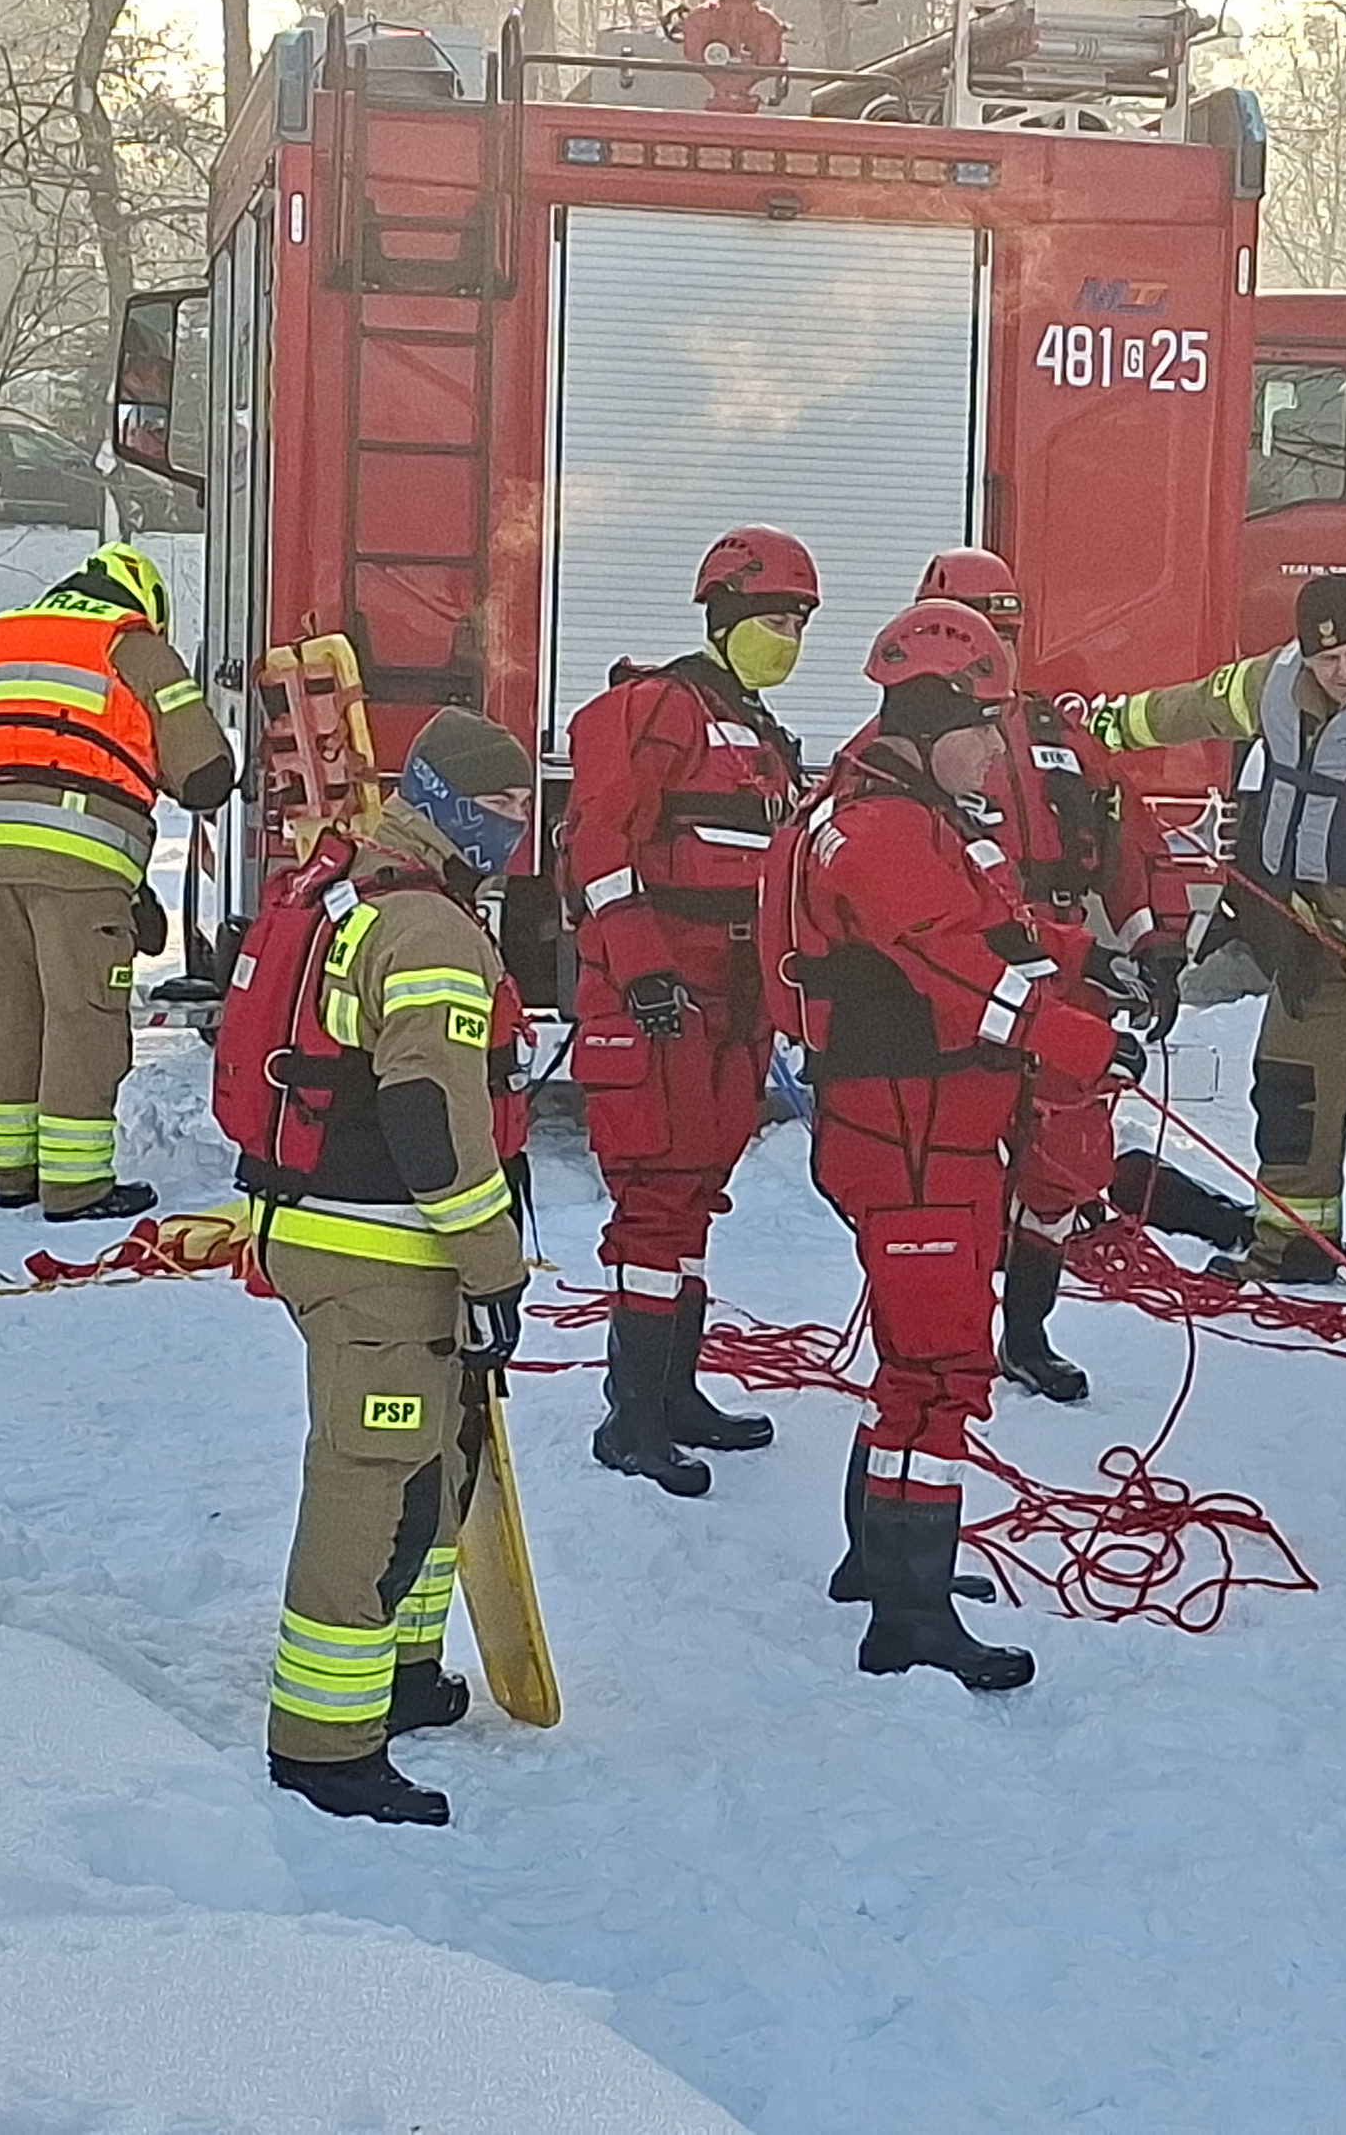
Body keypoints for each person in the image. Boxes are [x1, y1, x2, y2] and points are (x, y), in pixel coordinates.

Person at [769, 603, 1137, 1689]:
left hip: (929, 1131)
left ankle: (880, 1563)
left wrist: (1088, 961)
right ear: (931, 720)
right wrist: (1086, 1042)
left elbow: (986, 926)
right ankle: (910, 1614)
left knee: (913, 1360)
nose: (995, 751)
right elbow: (963, 977)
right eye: (983, 728)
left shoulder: (907, 812)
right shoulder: (884, 831)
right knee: (939, 1372)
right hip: (913, 1136)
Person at [246, 706, 537, 1826]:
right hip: (380, 1251)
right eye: (502, 806)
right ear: (448, 803)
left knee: (430, 1462)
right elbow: (429, 1118)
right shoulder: (426, 929)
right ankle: (325, 1744)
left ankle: (403, 1674)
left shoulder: (366, 891)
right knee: (368, 1482)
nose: (517, 826)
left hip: (350, 1236)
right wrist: (493, 1264)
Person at [1091, 572, 1346, 1282]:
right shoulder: (1272, 682)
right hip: (1323, 944)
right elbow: (1196, 706)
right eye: (1328, 659)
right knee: (1288, 1091)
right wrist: (1113, 725)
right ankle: (1294, 1246)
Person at [560, 525, 807, 1495]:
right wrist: (642, 968)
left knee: (695, 1195)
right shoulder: (661, 708)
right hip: (662, 999)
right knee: (656, 1202)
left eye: (799, 623)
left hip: (733, 1005)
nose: (789, 639)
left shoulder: (757, 730)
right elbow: (599, 843)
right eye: (776, 619)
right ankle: (631, 1418)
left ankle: (673, 1394)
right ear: (726, 614)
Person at [914, 547, 1190, 1403]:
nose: (991, 649)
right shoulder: (908, 746)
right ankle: (943, 1342)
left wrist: (1158, 942)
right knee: (951, 1167)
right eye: (974, 631)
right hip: (963, 969)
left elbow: (1129, 844)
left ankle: (1026, 1334)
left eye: (1004, 632)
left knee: (1063, 1163)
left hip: (1062, 966)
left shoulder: (1061, 740)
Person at [0, 541, 233, 1219]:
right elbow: (205, 774)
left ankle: (11, 1173)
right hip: (77, 858)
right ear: (144, 602)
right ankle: (76, 1186)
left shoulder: (4, 637)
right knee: (83, 1015)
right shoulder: (131, 645)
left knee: (9, 1007)